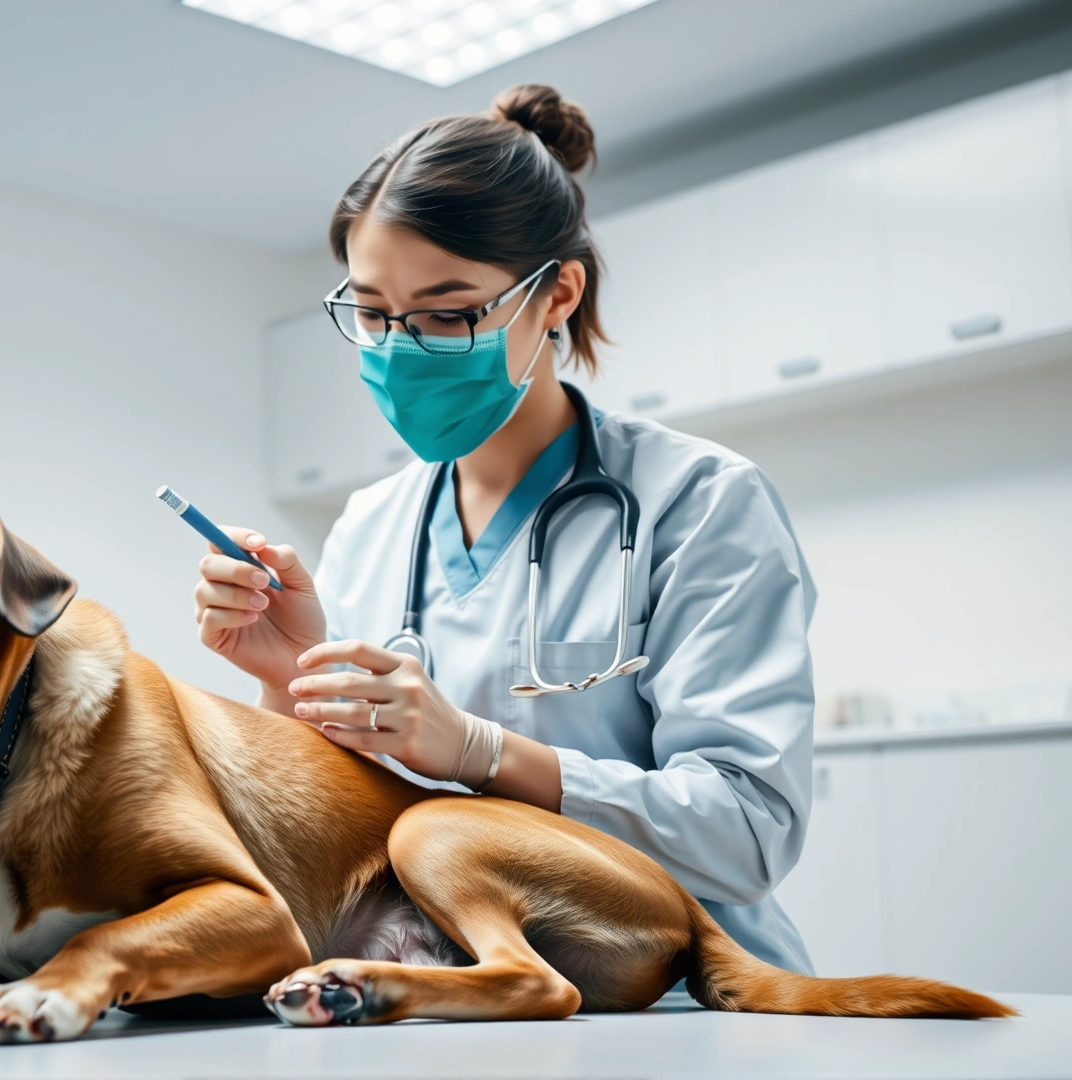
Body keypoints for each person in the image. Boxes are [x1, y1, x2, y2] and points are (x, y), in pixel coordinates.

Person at [193, 84, 816, 975]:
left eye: (449, 314)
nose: (404, 348)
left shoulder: (701, 501)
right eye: (373, 314)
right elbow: (335, 826)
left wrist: (483, 753)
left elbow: (747, 836)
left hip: (680, 994)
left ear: (558, 292)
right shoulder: (372, 526)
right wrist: (285, 682)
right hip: (440, 989)